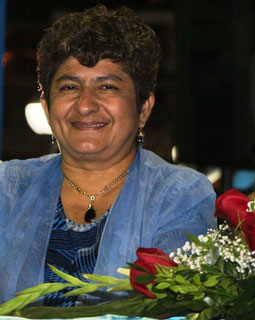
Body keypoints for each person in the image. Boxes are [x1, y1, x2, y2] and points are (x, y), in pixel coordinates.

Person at [0, 5, 216, 305]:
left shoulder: (180, 195)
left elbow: (174, 306)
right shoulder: (8, 187)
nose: (85, 104)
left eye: (108, 86)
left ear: (143, 109)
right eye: (69, 86)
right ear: (48, 109)